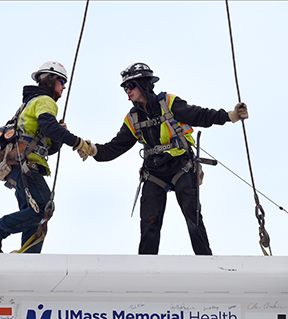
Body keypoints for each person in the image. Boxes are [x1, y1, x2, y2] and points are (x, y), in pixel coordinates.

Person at [76, 62, 248, 255]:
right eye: (125, 88)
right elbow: (114, 148)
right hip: (154, 173)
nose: (127, 91)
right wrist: (92, 150)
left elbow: (199, 115)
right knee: (150, 223)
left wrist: (230, 115)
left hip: (181, 166)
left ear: (144, 85)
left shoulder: (169, 103)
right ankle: (145, 268)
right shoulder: (133, 119)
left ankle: (205, 262)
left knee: (193, 217)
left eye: (131, 86)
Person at [0, 61, 94, 253]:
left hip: (19, 165)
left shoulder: (30, 104)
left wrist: (57, 137)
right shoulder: (45, 101)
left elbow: (47, 146)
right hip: (26, 166)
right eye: (61, 81)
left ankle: (29, 259)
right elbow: (48, 127)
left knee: (32, 214)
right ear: (49, 80)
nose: (64, 86)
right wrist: (78, 142)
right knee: (42, 209)